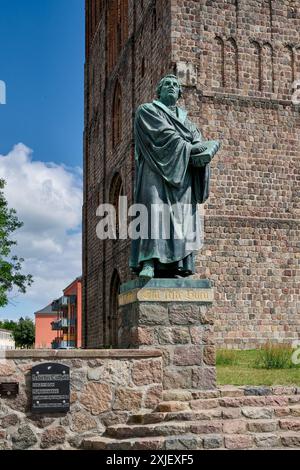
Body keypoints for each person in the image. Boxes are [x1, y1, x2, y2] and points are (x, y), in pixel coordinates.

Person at [129, 74, 211, 279]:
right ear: (159, 91)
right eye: (167, 84)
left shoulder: (188, 123)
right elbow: (164, 135)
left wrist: (203, 153)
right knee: (152, 211)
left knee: (181, 217)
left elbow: (198, 144)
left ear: (180, 93)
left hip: (182, 177)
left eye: (175, 85)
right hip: (154, 172)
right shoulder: (147, 110)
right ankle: (148, 262)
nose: (172, 87)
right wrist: (192, 148)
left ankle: (177, 265)